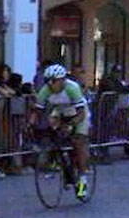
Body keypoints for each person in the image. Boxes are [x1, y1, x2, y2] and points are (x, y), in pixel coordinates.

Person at [29, 64, 91, 199]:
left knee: (78, 140)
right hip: (61, 111)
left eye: (53, 81)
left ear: (62, 80)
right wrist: (32, 123)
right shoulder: (45, 90)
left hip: (78, 113)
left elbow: (81, 114)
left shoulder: (72, 88)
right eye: (48, 81)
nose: (51, 85)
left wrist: (71, 125)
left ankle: (82, 178)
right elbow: (38, 110)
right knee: (55, 131)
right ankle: (61, 161)